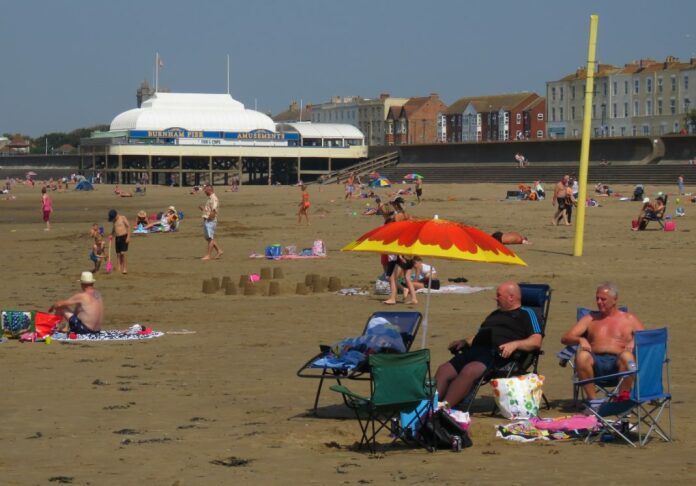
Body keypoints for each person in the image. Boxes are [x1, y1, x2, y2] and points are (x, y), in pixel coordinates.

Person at [435, 281, 543, 409]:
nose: (495, 298)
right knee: (444, 369)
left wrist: (515, 344)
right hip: (476, 350)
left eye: (499, 295)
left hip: (499, 356)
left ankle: (444, 406)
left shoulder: (527, 313)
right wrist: (464, 341)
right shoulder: (494, 314)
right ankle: (429, 404)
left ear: (511, 297)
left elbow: (536, 341)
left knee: (469, 370)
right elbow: (479, 335)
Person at [560, 283, 645, 401]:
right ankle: (594, 402)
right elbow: (565, 338)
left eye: (603, 299)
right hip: (595, 365)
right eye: (597, 298)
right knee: (582, 356)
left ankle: (622, 400)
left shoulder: (628, 319)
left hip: (619, 364)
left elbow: (647, 338)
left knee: (627, 356)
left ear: (614, 300)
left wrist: (634, 341)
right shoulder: (590, 318)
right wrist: (580, 339)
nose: (599, 302)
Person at [199, 184, 223, 260]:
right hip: (208, 220)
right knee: (209, 238)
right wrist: (203, 209)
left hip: (211, 221)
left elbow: (214, 210)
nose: (204, 192)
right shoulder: (210, 198)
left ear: (209, 190)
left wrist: (209, 219)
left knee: (210, 238)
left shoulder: (214, 198)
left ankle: (208, 255)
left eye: (205, 190)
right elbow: (209, 210)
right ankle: (219, 251)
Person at [108, 209, 130, 274]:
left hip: (124, 237)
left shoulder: (122, 218)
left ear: (116, 215)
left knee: (123, 253)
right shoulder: (114, 221)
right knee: (118, 254)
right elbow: (114, 228)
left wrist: (128, 237)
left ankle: (125, 268)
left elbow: (128, 226)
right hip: (117, 238)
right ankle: (119, 267)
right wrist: (111, 234)